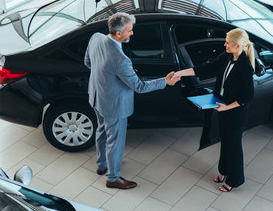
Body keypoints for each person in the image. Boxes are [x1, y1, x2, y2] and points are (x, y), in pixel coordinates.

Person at [84, 12, 180, 190]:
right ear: (119, 33)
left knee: (101, 131)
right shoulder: (121, 60)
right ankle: (112, 178)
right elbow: (140, 87)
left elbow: (88, 63)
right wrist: (165, 81)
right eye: (130, 30)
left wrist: (105, 79)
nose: (132, 33)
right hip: (114, 105)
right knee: (115, 141)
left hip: (97, 96)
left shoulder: (96, 38)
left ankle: (102, 165)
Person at [173, 28, 255, 192]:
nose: (224, 44)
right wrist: (180, 73)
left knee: (233, 147)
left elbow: (247, 96)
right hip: (222, 107)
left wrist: (226, 107)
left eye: (227, 43)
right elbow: (205, 67)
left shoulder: (245, 67)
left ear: (238, 46)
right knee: (225, 142)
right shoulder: (227, 56)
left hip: (234, 113)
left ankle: (234, 180)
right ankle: (223, 171)